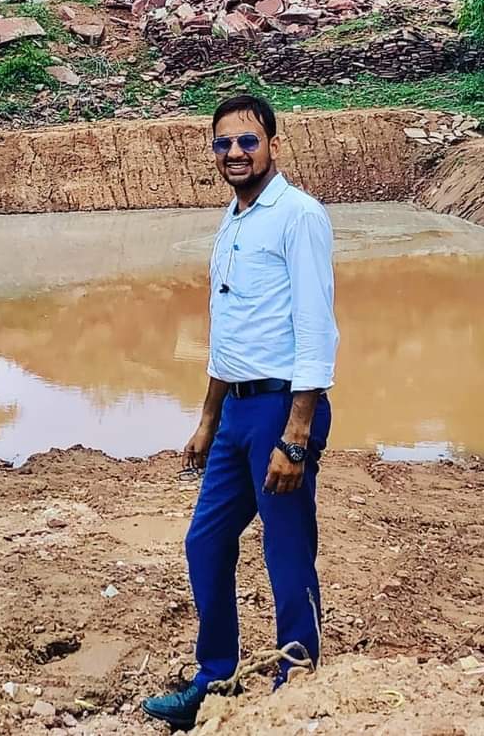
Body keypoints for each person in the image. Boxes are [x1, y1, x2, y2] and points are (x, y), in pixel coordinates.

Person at [142, 94, 339, 731]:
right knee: (206, 541)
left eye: (247, 141)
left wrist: (298, 433)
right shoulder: (233, 218)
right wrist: (206, 420)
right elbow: (230, 335)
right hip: (235, 413)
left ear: (273, 146)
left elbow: (316, 328)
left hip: (284, 408)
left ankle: (298, 676)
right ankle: (215, 676)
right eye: (223, 143)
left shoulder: (297, 216)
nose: (235, 153)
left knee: (285, 546)